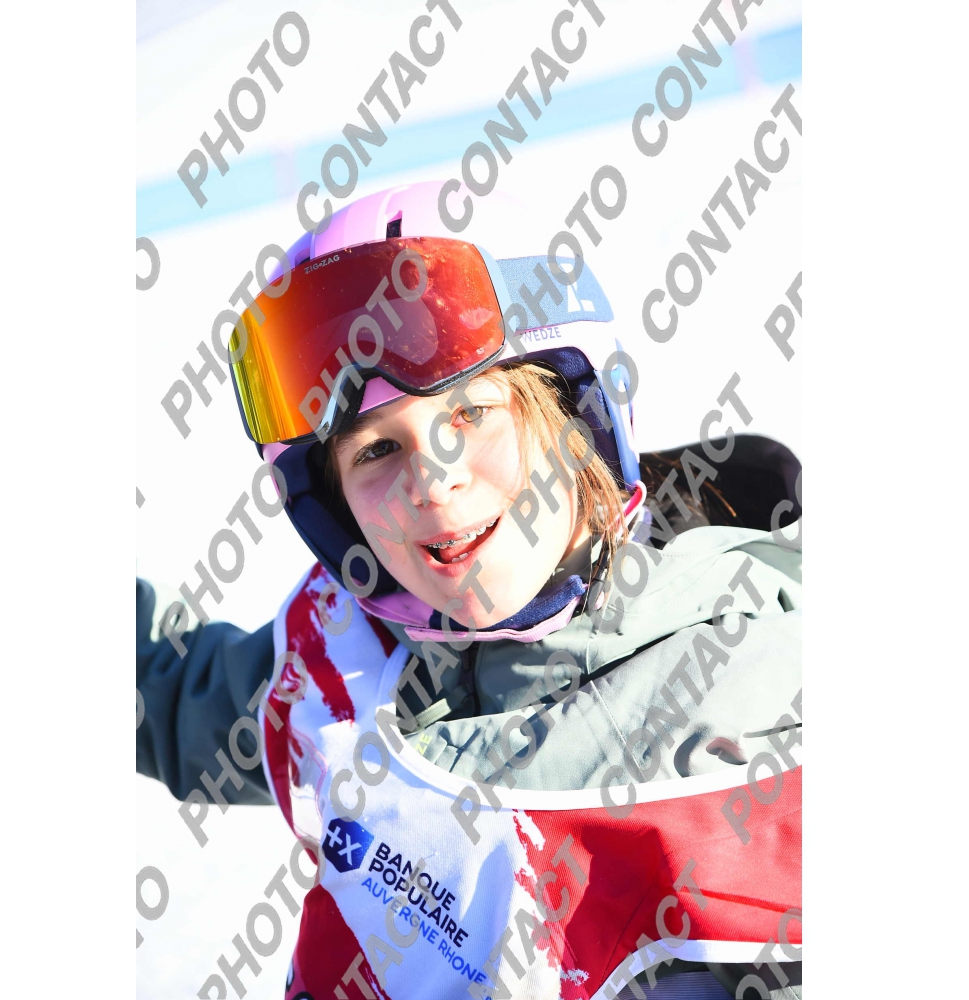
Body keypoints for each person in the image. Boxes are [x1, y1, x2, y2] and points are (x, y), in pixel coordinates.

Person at [137, 181, 802, 999]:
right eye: (376, 450)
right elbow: (172, 693)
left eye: (471, 414)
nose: (432, 481)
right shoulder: (347, 659)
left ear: (575, 416)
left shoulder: (758, 708)